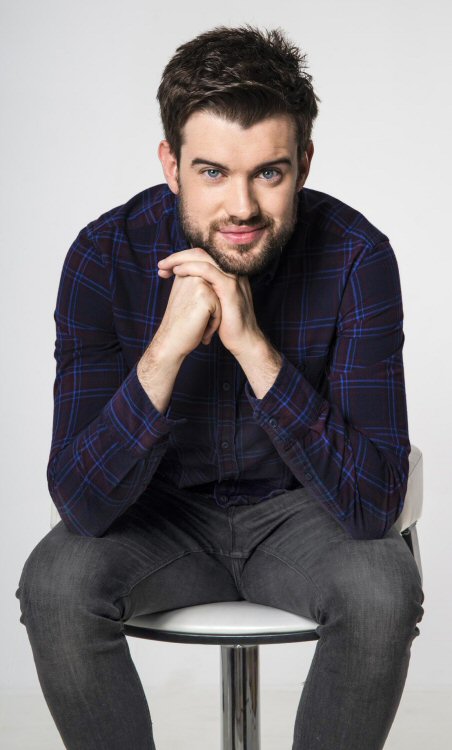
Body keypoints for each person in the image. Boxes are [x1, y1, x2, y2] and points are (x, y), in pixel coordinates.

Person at [15, 24, 424, 750]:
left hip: (306, 517)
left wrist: (254, 348)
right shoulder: (103, 255)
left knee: (382, 587)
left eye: (269, 173)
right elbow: (80, 503)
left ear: (303, 163)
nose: (241, 207)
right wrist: (165, 352)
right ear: (171, 164)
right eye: (212, 172)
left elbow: (371, 507)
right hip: (158, 519)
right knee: (55, 583)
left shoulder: (357, 256)